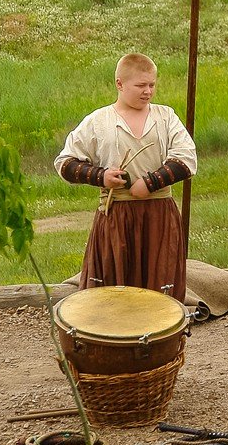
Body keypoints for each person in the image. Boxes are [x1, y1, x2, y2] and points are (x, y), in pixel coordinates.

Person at [55, 52, 197, 300]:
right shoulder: (99, 121)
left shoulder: (165, 117)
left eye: (152, 84)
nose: (148, 91)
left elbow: (186, 159)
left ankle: (159, 338)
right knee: (114, 286)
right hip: (117, 217)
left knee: (159, 290)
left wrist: (150, 183)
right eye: (141, 85)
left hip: (159, 215)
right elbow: (65, 163)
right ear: (119, 84)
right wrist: (101, 176)